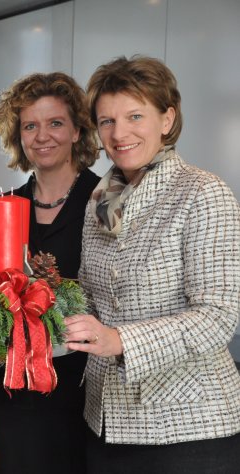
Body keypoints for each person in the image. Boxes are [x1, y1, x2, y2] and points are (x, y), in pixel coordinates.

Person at [65, 55, 240, 473]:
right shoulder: (100, 201)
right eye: (107, 121)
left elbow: (217, 317)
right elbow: (90, 296)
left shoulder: (203, 192)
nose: (119, 133)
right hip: (105, 420)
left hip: (188, 428)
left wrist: (119, 340)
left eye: (135, 116)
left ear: (167, 119)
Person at [0, 72, 100, 473]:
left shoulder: (105, 200)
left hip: (85, 388)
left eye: (55, 123)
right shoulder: (3, 207)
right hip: (14, 389)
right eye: (30, 126)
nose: (42, 136)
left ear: (77, 130)